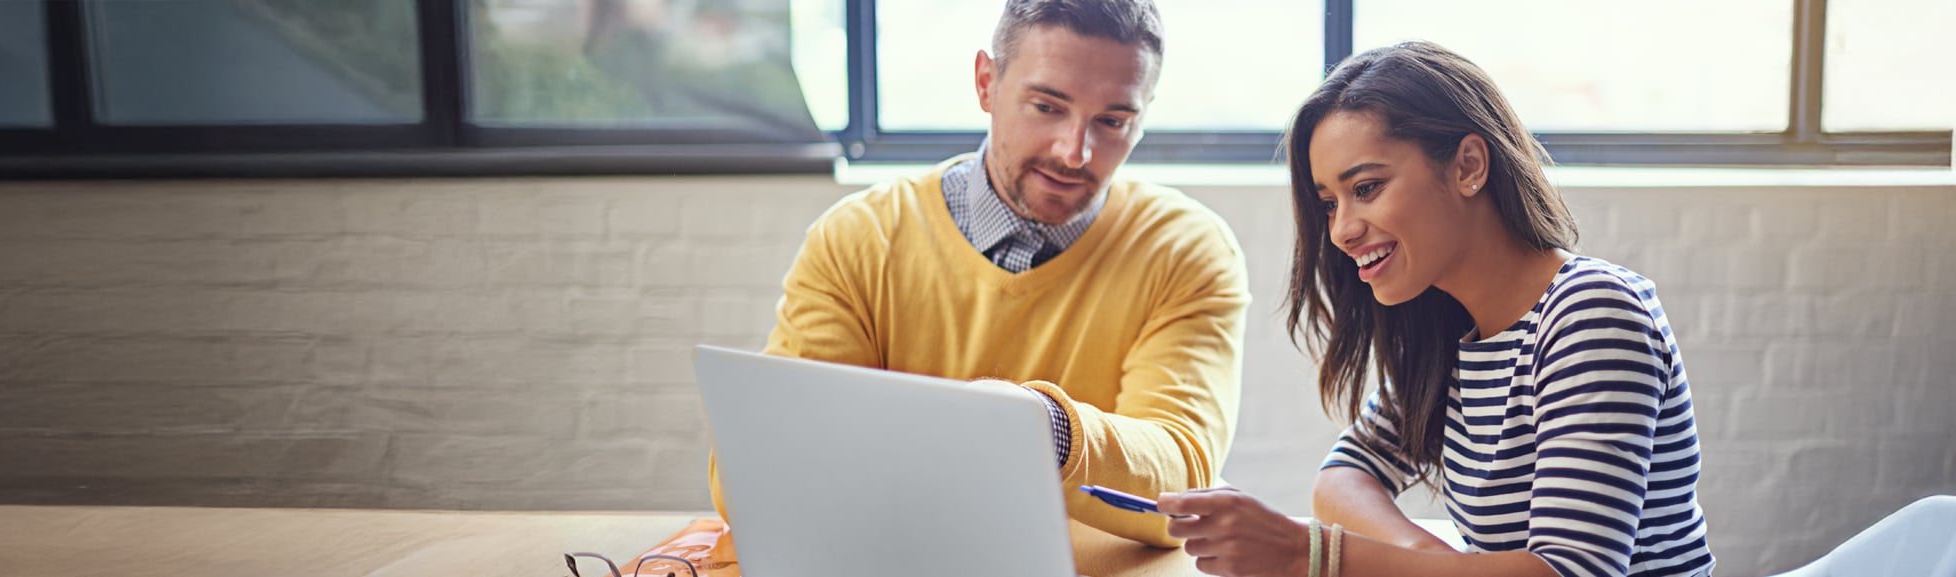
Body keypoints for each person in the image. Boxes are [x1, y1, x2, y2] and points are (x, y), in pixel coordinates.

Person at [1155, 41, 1713, 577]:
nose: (1343, 231)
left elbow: (1570, 571)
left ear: (1468, 165)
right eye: (1329, 203)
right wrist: (1433, 561)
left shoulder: (1590, 313)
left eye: (1367, 187)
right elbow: (1344, 476)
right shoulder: (1455, 331)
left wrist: (1308, 557)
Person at [708, 0, 1251, 548]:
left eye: (1112, 121)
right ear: (987, 83)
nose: (1075, 152)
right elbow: (758, 474)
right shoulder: (860, 239)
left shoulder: (1187, 250)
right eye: (1047, 106)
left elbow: (1184, 487)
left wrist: (1043, 429)